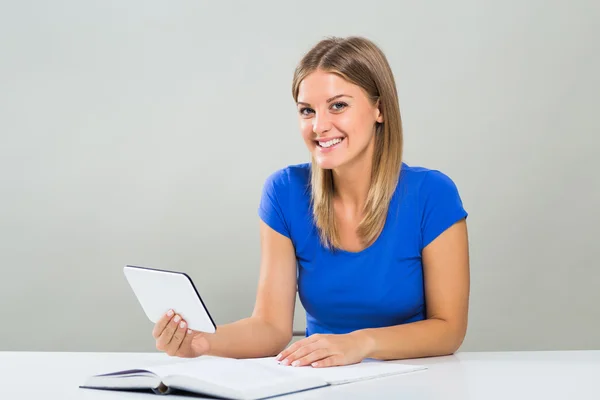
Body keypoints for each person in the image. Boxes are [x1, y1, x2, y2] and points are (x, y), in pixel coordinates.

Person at [152, 36, 470, 368]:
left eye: (338, 105)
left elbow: (448, 330)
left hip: (417, 379)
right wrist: (203, 342)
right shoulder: (285, 191)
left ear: (380, 109)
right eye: (307, 110)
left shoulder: (432, 194)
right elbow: (271, 328)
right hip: (317, 381)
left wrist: (361, 343)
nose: (319, 126)